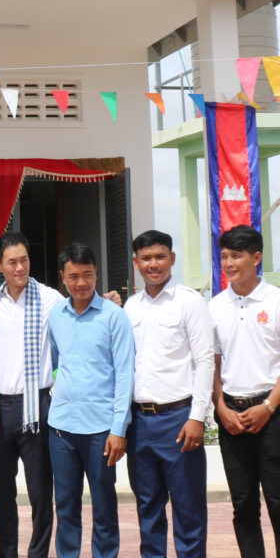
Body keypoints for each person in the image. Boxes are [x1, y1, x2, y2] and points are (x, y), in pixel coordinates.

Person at [124, 229, 212, 558]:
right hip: (140, 425)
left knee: (188, 510)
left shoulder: (189, 302)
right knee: (148, 510)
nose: (153, 264)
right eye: (146, 258)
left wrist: (196, 418)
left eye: (160, 256)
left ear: (172, 258)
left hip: (178, 421)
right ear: (136, 263)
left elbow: (204, 362)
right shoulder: (130, 308)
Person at [46, 242, 134, 558]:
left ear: (96, 274)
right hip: (61, 431)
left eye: (87, 275)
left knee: (104, 506)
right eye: (73, 276)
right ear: (62, 277)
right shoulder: (56, 315)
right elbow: (55, 363)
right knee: (66, 506)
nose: (81, 283)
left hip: (101, 433)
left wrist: (118, 429)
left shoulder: (114, 317)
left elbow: (125, 375)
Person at [0, 232, 64, 558]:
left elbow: (75, 326)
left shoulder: (50, 299)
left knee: (42, 493)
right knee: (3, 493)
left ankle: (38, 553)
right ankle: (8, 553)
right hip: (0, 408)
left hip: (39, 406)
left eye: (25, 259)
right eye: (12, 262)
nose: (20, 268)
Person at [210, 225, 280, 558]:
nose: (228, 262)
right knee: (243, 504)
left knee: (278, 501)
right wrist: (221, 407)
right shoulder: (215, 305)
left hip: (273, 413)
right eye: (224, 256)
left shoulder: (276, 301)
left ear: (256, 257)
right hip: (231, 418)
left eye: (236, 255)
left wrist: (268, 406)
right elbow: (212, 363)